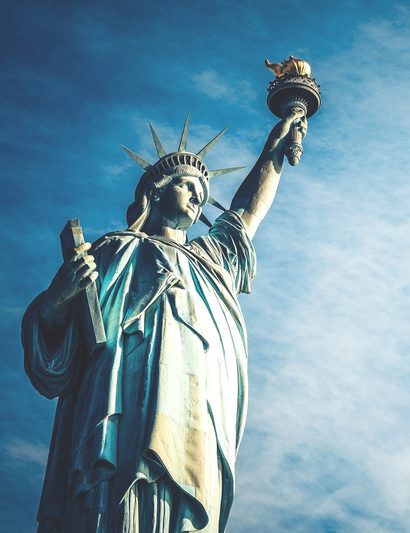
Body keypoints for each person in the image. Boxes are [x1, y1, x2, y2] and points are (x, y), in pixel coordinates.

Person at [21, 108, 308, 532]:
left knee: (186, 492)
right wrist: (58, 298)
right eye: (187, 185)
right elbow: (53, 353)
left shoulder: (211, 261)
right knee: (117, 492)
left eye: (202, 192)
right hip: (121, 398)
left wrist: (275, 147)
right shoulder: (114, 250)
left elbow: (246, 214)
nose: (197, 197)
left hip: (196, 402)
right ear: (155, 193)